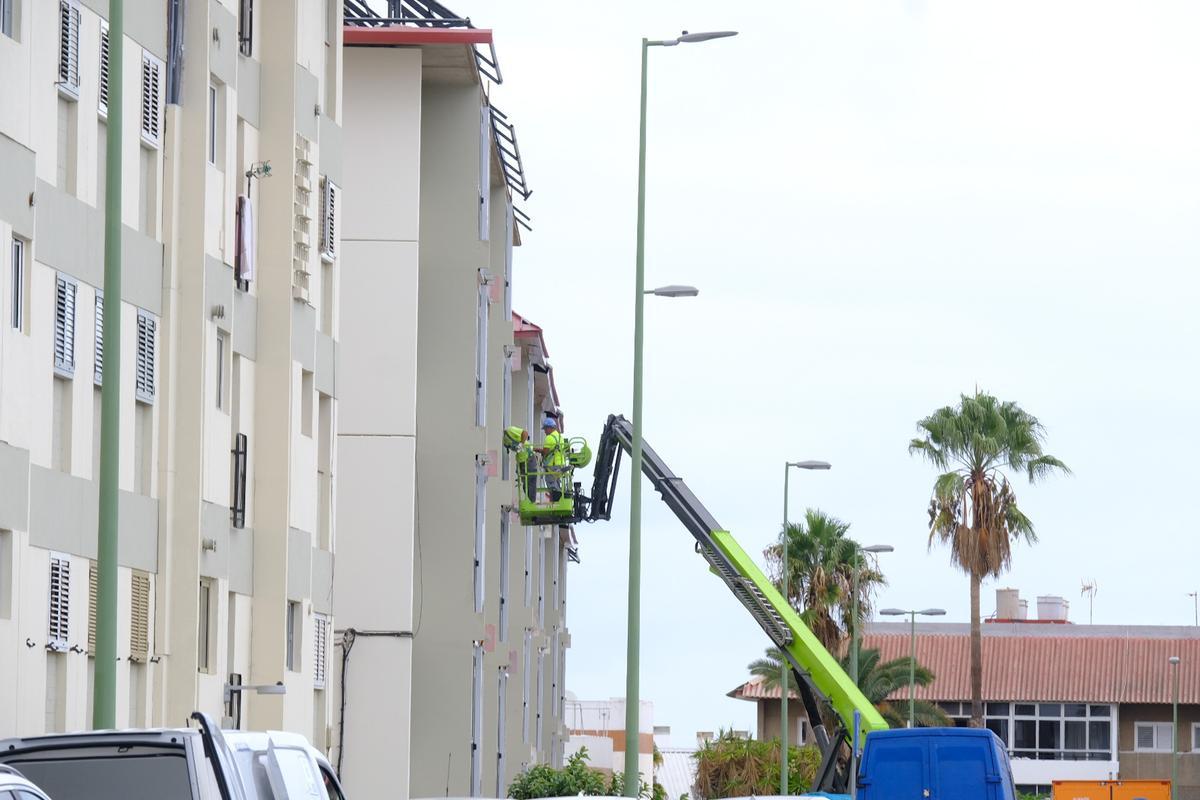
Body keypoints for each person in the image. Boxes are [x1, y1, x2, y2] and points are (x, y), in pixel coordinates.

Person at [536, 415, 568, 500]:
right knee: (556, 483)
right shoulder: (560, 437)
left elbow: (545, 452)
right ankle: (559, 499)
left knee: (551, 483)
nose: (545, 431)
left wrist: (535, 449)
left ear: (549, 428)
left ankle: (556, 500)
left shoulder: (549, 438)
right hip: (560, 464)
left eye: (545, 429)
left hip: (552, 466)